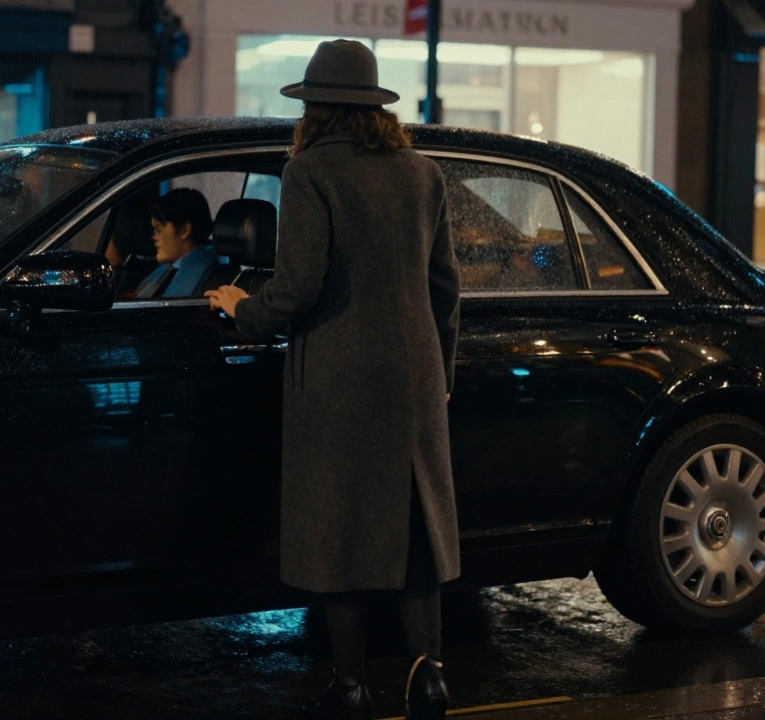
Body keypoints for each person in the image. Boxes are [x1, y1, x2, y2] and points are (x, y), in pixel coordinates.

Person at [205, 39, 461, 720]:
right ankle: (429, 676)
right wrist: (442, 374)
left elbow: (298, 288)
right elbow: (445, 289)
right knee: (412, 530)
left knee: (339, 528)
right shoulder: (423, 174)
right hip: (413, 373)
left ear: (315, 108)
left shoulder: (310, 174)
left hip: (341, 375)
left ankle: (349, 685)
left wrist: (242, 311)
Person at [133, 187, 218, 298]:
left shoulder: (205, 280)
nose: (154, 237)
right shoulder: (172, 270)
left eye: (159, 229)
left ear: (184, 230)